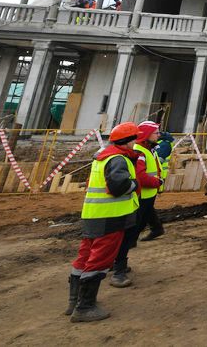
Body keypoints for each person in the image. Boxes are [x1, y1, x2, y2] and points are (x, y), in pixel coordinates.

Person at [66, 122, 140, 322]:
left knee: (84, 257)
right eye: (135, 139)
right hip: (110, 217)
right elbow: (118, 186)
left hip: (93, 214)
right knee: (100, 260)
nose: (136, 143)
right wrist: (135, 183)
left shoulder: (102, 157)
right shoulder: (117, 159)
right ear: (128, 141)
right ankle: (85, 307)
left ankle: (74, 301)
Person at [109, 122, 162, 287]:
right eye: (156, 132)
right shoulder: (140, 152)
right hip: (140, 199)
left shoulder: (148, 150)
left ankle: (117, 263)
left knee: (132, 232)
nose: (159, 135)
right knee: (129, 234)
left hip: (147, 198)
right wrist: (157, 182)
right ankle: (118, 270)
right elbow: (141, 176)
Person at [142, 128, 174, 241]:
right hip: (152, 179)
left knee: (144, 207)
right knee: (147, 207)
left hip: (154, 179)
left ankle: (134, 235)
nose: (157, 135)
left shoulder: (164, 145)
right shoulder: (157, 145)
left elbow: (157, 161)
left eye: (157, 133)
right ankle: (156, 228)